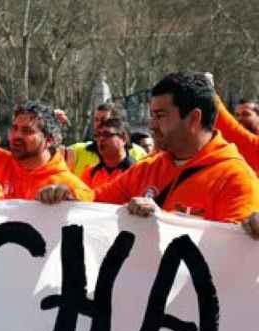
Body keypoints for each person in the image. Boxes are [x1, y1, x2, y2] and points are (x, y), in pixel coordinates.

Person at [39, 72, 259, 223]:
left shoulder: (235, 179)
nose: (151, 125)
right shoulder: (147, 169)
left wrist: (165, 222)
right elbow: (96, 203)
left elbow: (235, 259)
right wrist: (68, 195)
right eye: (152, 115)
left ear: (194, 119)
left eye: (160, 116)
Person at [0, 57, 93, 202]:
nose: (17, 135)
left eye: (27, 131)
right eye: (14, 128)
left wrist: (70, 197)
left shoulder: (66, 185)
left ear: (49, 140)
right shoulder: (0, 163)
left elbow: (90, 203)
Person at [65, 102, 148, 177]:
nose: (98, 124)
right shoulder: (77, 151)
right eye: (96, 120)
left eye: (103, 120)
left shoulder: (139, 153)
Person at [79, 117, 135, 189]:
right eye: (98, 135)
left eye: (107, 134)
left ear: (123, 138)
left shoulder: (135, 171)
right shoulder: (90, 172)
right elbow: (81, 197)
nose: (101, 139)